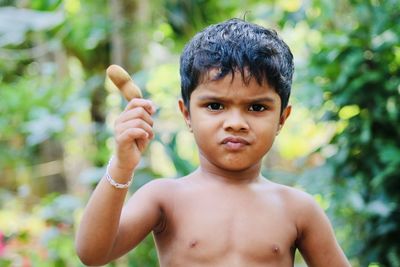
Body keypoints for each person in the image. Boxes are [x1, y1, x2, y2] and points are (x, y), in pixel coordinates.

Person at [76, 18, 350, 266]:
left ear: (282, 118)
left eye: (256, 108)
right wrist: (122, 166)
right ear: (187, 114)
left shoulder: (297, 209)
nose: (235, 123)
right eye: (215, 105)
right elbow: (93, 252)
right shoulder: (165, 198)